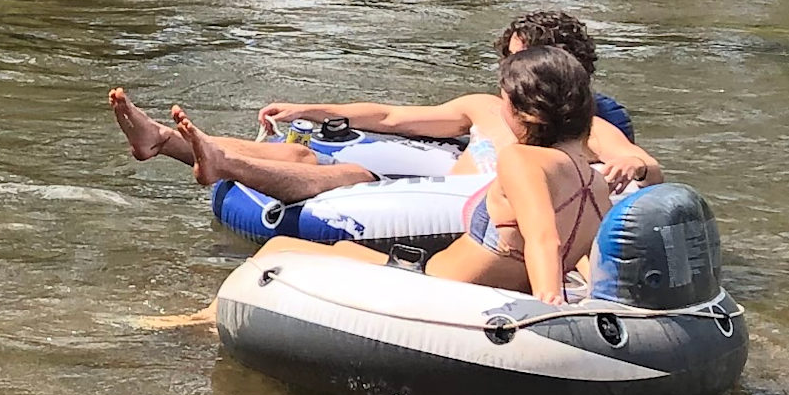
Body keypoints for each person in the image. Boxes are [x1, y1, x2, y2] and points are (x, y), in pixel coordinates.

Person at [110, 5, 660, 210]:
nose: (510, 78)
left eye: (526, 65)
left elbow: (640, 163)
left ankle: (200, 155)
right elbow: (393, 117)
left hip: (458, 203)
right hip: (440, 178)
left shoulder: (583, 125)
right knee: (303, 160)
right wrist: (307, 107)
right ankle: (163, 139)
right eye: (510, 64)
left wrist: (633, 166)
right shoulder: (482, 105)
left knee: (338, 177)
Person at [248, 41, 609, 301]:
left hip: (434, 287)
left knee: (279, 247)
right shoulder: (595, 183)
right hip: (491, 295)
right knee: (345, 248)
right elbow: (586, 257)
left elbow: (545, 239)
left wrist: (550, 303)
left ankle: (203, 324)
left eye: (504, 101)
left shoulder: (522, 160)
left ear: (522, 110)